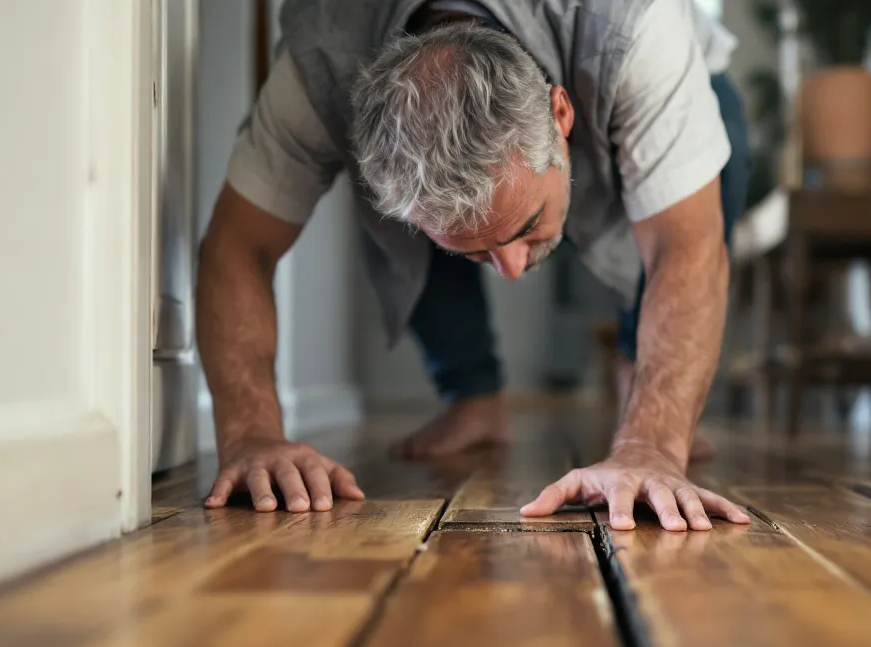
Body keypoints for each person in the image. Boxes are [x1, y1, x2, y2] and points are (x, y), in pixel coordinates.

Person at [197, 0, 752, 532]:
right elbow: (238, 247)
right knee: (462, 227)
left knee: (703, 185)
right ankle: (472, 395)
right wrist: (251, 434)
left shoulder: (634, 29)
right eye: (479, 253)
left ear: (560, 112)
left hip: (668, 73)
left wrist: (651, 444)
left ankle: (640, 382)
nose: (510, 271)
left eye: (526, 224)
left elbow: (687, 246)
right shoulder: (319, 59)